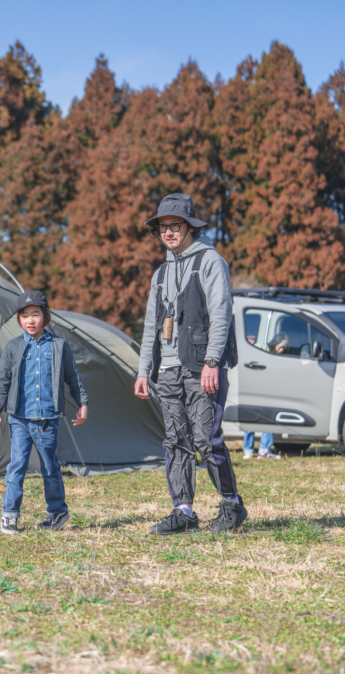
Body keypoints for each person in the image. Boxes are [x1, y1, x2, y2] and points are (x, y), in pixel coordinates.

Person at [134, 193, 248, 535]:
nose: (168, 233)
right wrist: (143, 370)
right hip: (167, 370)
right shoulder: (160, 274)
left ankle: (231, 505)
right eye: (162, 228)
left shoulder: (211, 262)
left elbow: (221, 315)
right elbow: (151, 326)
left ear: (189, 227)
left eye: (175, 226)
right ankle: (183, 510)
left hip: (202, 367)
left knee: (206, 440)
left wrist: (213, 361)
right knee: (175, 440)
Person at [0, 290, 89, 535]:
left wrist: (83, 403)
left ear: (45, 316)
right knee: (17, 466)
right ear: (19, 320)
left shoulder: (59, 345)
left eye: (36, 314)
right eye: (25, 315)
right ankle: (9, 515)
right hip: (19, 419)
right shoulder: (12, 347)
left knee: (49, 466)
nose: (30, 320)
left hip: (47, 419)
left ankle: (57, 512)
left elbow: (72, 377)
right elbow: (2, 379)